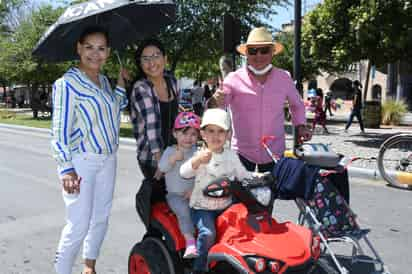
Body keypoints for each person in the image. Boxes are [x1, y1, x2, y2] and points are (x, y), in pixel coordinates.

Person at [51, 26, 128, 274]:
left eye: (101, 48)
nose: (95, 54)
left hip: (108, 158)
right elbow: (59, 129)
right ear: (79, 48)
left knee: (100, 218)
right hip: (82, 161)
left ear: (108, 52)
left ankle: (89, 267)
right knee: (78, 225)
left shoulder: (104, 81)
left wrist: (119, 83)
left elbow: (115, 108)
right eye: (89, 47)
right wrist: (66, 168)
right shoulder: (67, 83)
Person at [209, 27, 311, 172]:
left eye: (264, 50)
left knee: (272, 193)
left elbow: (297, 105)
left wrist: (301, 125)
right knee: (241, 194)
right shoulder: (233, 79)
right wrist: (214, 101)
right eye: (253, 51)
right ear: (246, 54)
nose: (258, 55)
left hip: (274, 152)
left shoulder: (284, 77)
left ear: (272, 52)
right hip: (241, 153)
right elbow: (215, 108)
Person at [180, 108, 252, 274]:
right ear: (203, 134)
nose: (215, 136)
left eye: (221, 131)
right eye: (211, 131)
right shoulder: (201, 154)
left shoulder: (231, 156)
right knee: (208, 233)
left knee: (245, 226)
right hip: (202, 207)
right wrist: (197, 161)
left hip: (226, 204)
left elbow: (242, 174)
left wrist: (258, 176)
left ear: (228, 135)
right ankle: (200, 267)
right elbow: (184, 172)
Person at [130, 38, 179, 181]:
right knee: (159, 201)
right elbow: (152, 129)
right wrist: (161, 163)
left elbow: (177, 117)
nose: (151, 63)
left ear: (165, 59)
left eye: (156, 56)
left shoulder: (172, 81)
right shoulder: (141, 88)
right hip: (153, 159)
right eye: (145, 58)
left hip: (174, 155)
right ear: (140, 63)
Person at [158, 112, 201, 259]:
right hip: (175, 195)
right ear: (175, 134)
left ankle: (207, 238)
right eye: (184, 134)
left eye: (193, 134)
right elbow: (162, 168)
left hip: (195, 193)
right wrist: (172, 159)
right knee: (183, 210)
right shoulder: (171, 151)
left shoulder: (197, 153)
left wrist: (195, 190)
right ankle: (190, 242)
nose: (189, 138)